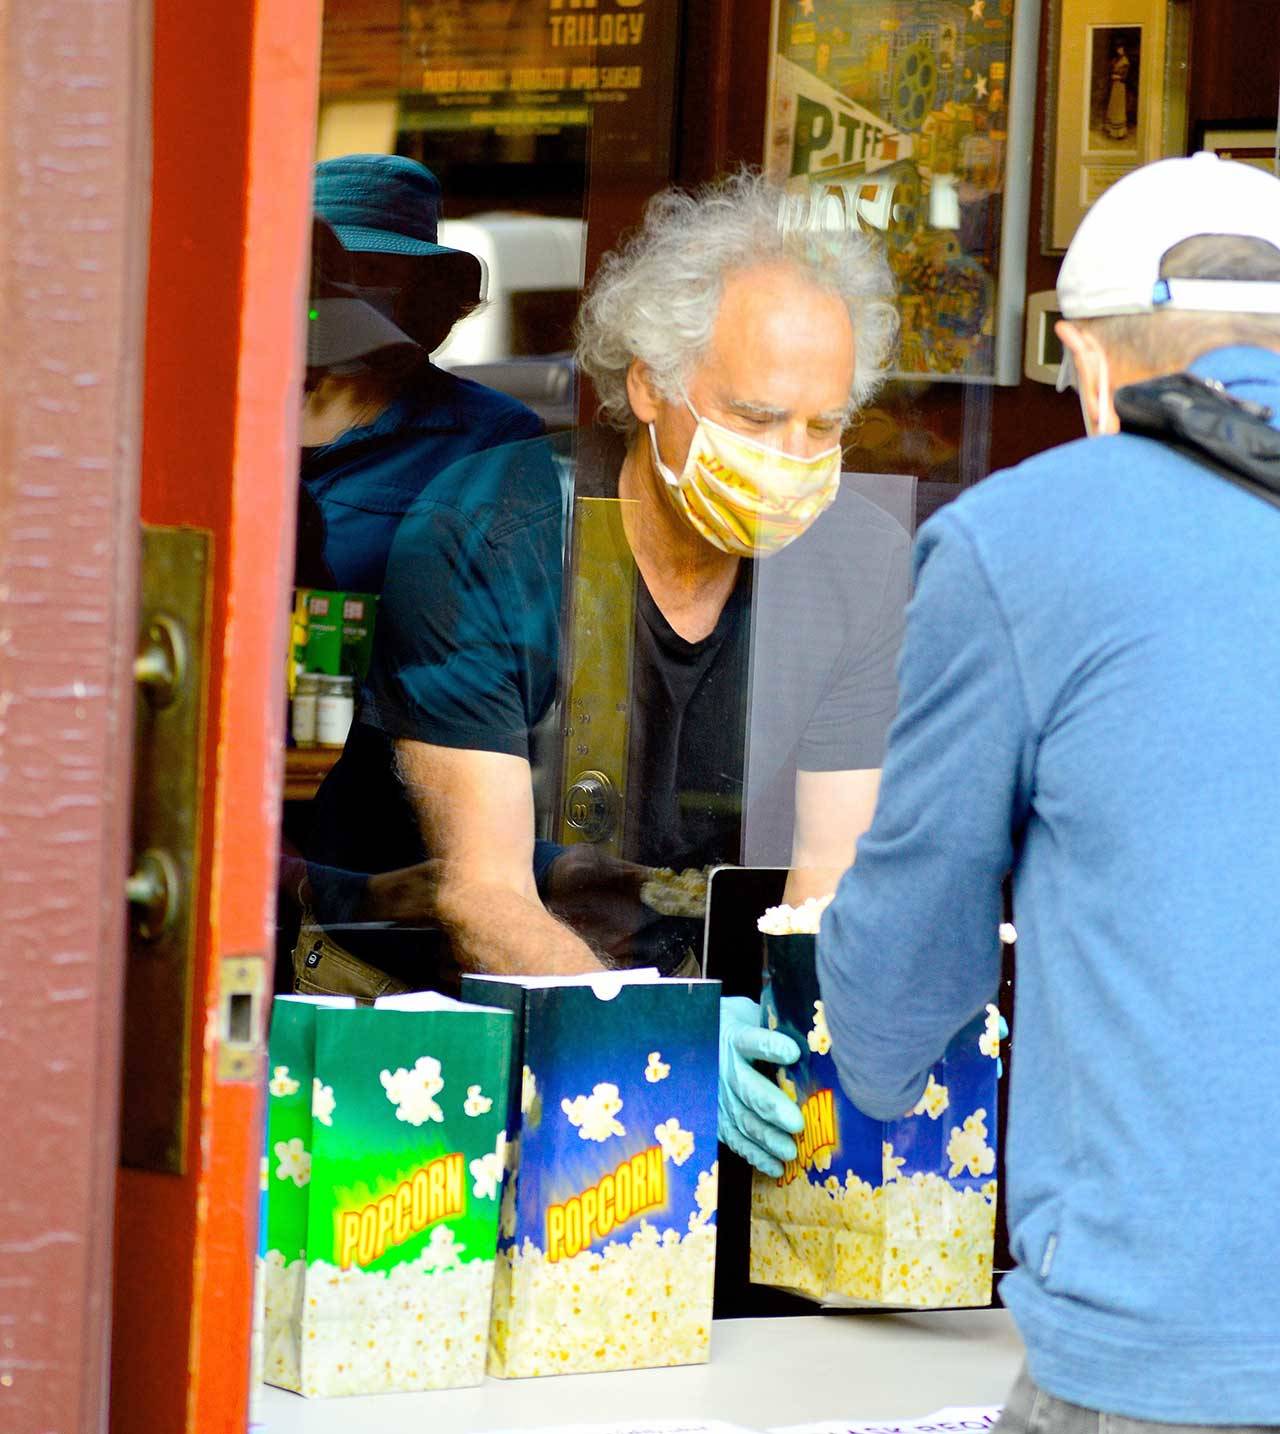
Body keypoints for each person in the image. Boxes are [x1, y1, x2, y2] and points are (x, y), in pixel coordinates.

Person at [303, 170, 907, 1177]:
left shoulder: (856, 564)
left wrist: (804, 1041)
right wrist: (664, 1043)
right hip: (424, 1010)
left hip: (674, 1008)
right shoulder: (487, 533)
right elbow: (480, 896)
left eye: (824, 424)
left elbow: (829, 882)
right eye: (754, 418)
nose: (792, 458)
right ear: (646, 386)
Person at [816, 152, 1280, 1427]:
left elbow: (908, 960)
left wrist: (863, 1066)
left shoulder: (1019, 538)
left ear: (1084, 361)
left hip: (1163, 1351)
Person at [298, 153, 543, 594]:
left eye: (369, 269)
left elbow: (503, 630)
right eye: (324, 271)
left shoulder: (489, 439)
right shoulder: (247, 419)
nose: (343, 292)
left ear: (425, 288)